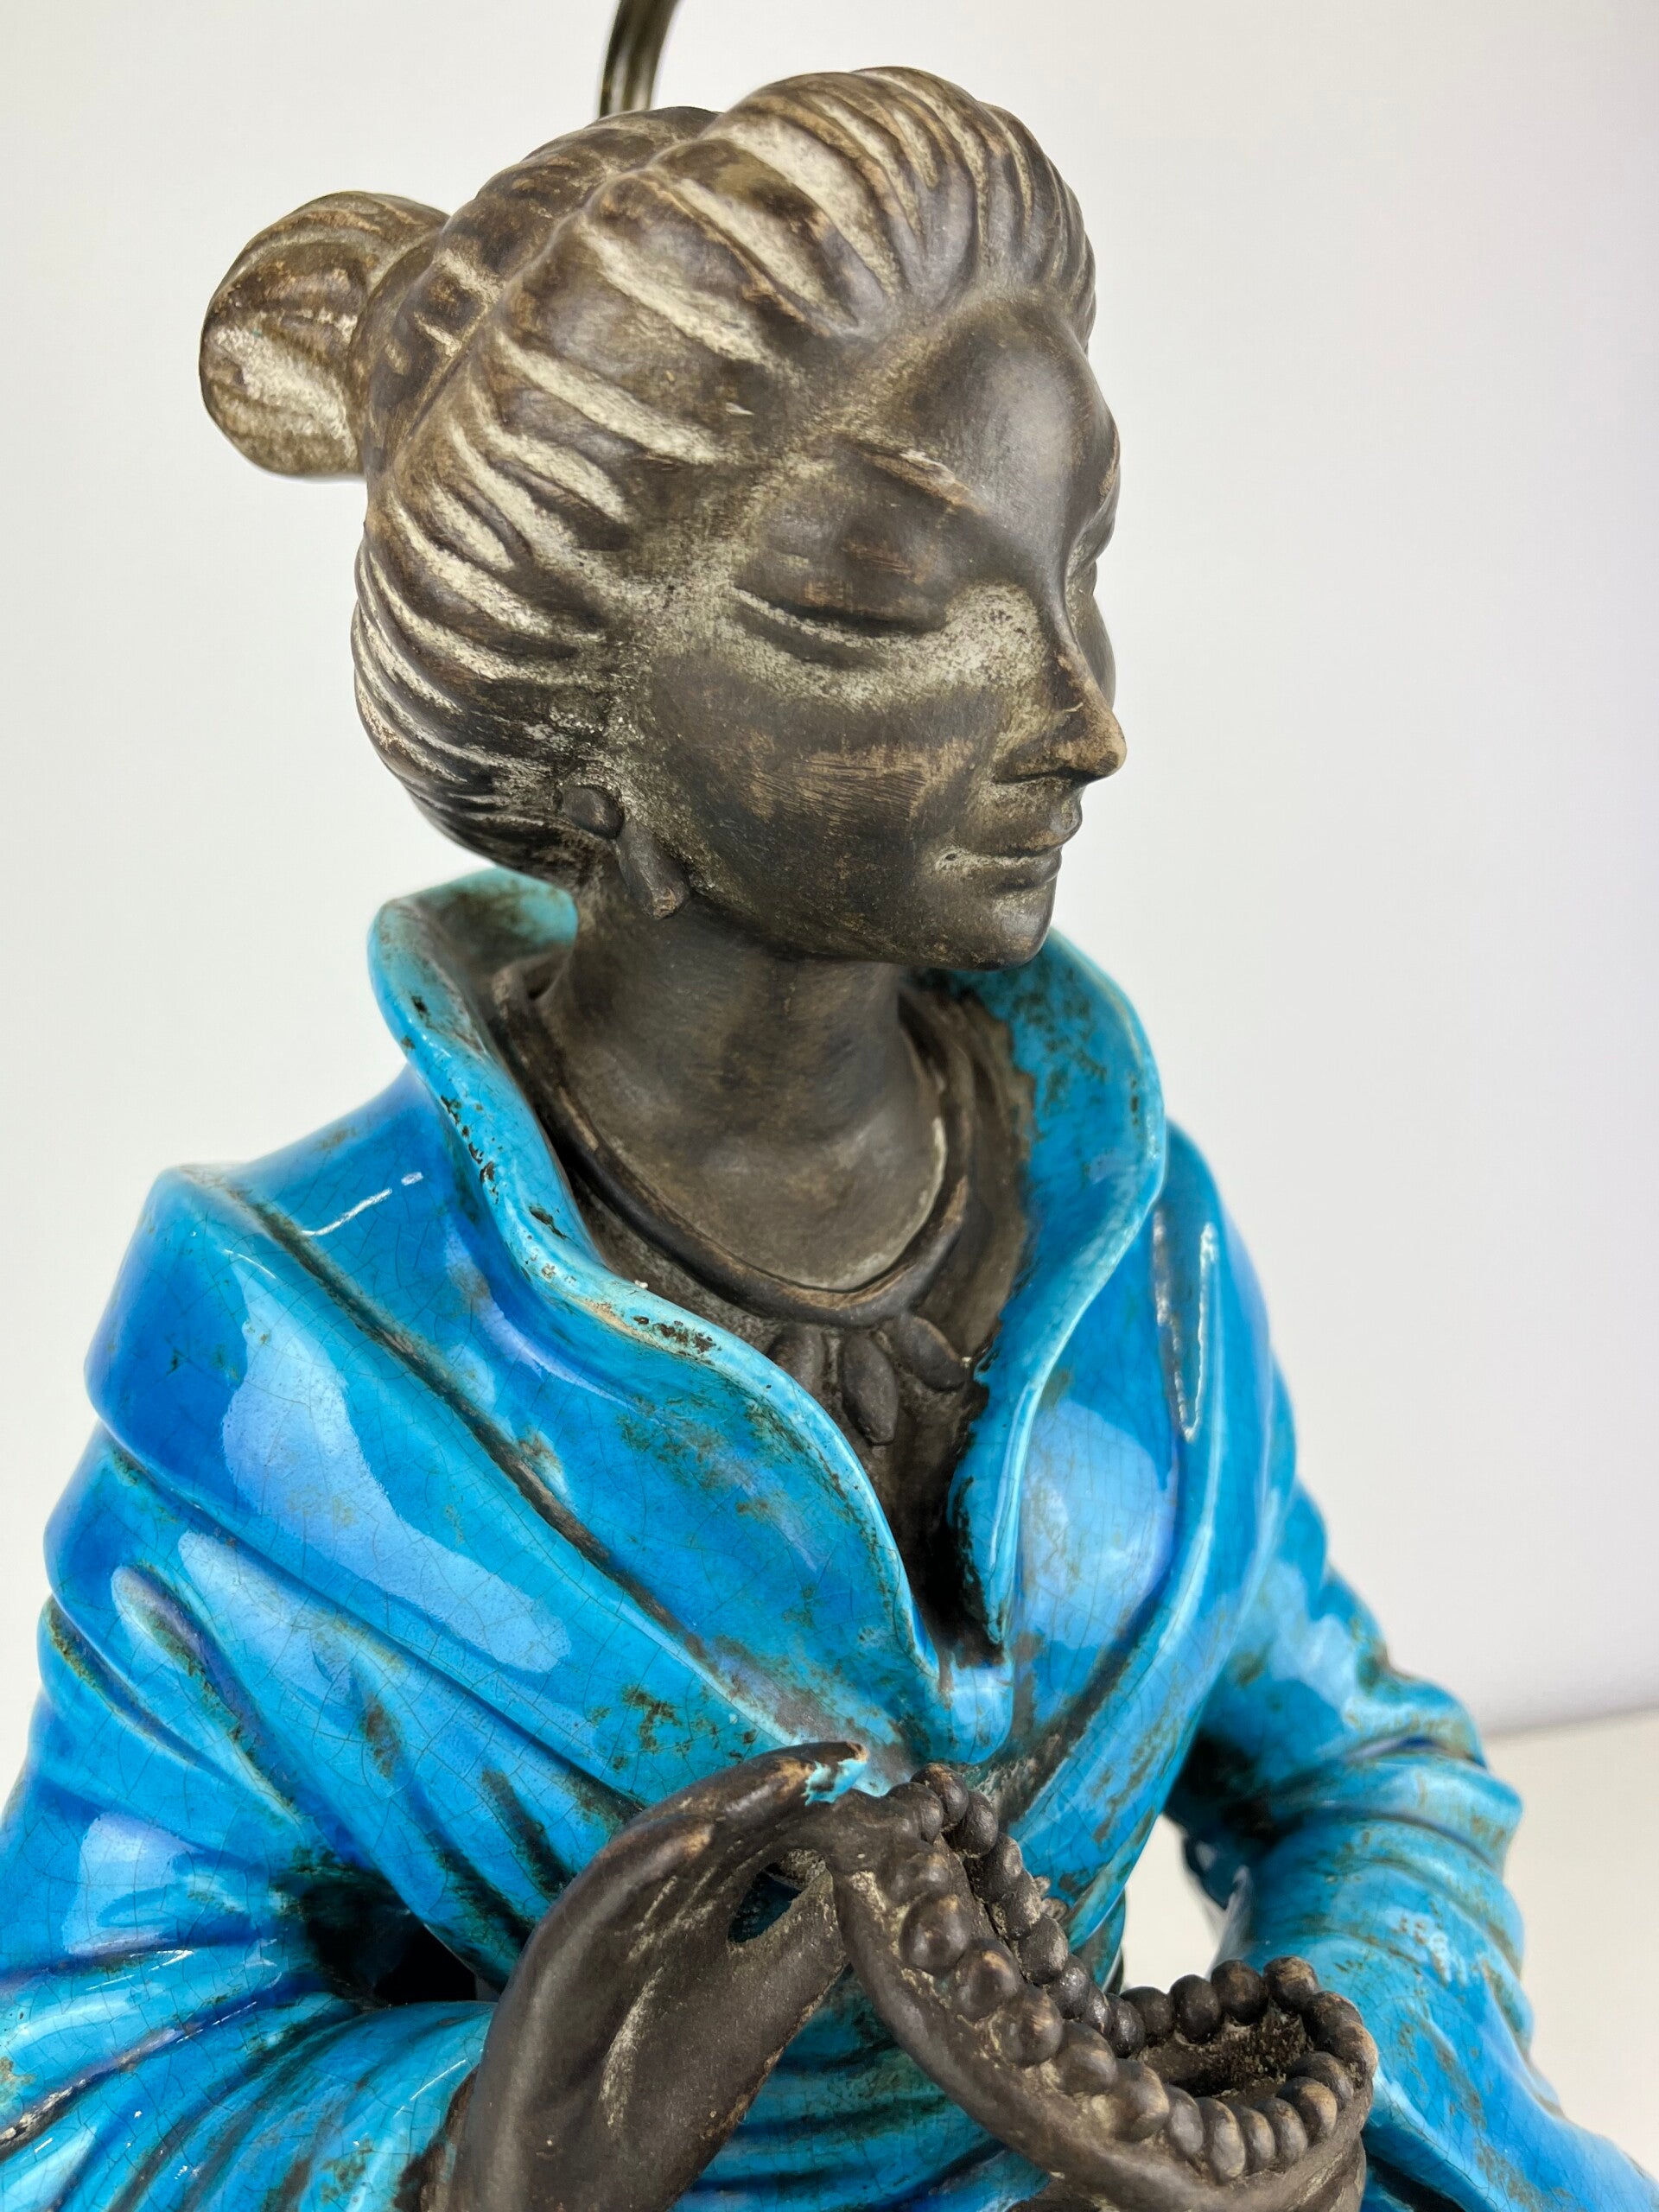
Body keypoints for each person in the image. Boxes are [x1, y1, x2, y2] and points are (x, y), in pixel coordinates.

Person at [0, 66, 1649, 2212]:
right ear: (574, 699)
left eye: (1081, 567)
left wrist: (1294, 2086)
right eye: (889, 611)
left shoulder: (1128, 1240)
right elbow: (75, 2073)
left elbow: (1364, 1764)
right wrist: (469, 2154)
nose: (1083, 716)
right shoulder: (298, 1392)